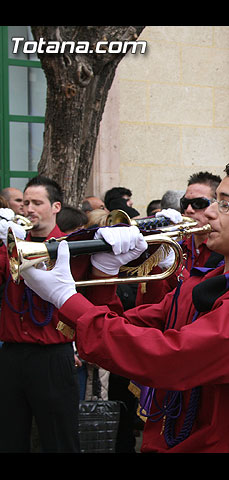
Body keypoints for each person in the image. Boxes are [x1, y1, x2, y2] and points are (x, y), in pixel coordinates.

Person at [20, 157, 229, 453]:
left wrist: (67, 298)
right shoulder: (203, 283)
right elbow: (130, 326)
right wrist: (103, 272)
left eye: (225, 204)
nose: (208, 213)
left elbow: (169, 357)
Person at [0, 175, 119, 453]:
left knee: (60, 439)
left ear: (55, 207)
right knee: (8, 438)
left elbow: (97, 295)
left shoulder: (73, 247)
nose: (29, 209)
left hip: (53, 356)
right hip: (12, 354)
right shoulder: (11, 245)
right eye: (26, 202)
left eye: (37, 203)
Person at [136, 171, 221, 306]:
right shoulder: (178, 245)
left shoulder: (224, 251)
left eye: (199, 203)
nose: (189, 210)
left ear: (217, 206)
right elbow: (150, 303)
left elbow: (198, 300)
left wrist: (173, 266)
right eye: (185, 203)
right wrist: (155, 253)